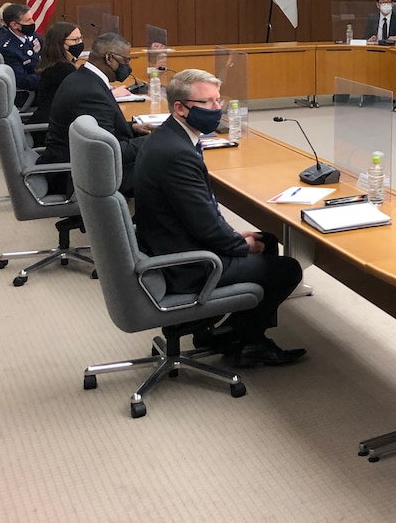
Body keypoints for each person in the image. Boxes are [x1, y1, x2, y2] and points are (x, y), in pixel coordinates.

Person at [133, 69, 306, 368]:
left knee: (267, 239)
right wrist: (240, 245)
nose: (217, 109)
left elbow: (197, 215)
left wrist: (234, 237)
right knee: (287, 268)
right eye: (208, 103)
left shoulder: (167, 137)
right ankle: (250, 342)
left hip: (167, 242)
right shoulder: (177, 153)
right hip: (184, 264)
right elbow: (205, 226)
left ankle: (231, 333)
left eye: (218, 100)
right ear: (180, 107)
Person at [39, 33, 152, 195]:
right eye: (126, 61)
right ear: (109, 58)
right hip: (77, 176)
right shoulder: (90, 93)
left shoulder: (84, 78)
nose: (128, 66)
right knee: (167, 168)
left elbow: (98, 130)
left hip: (79, 163)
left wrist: (133, 128)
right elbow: (106, 151)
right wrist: (153, 140)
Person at [31, 22, 83, 125]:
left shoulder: (52, 62)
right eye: (75, 40)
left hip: (54, 121)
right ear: (60, 43)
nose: (79, 43)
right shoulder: (61, 69)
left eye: (80, 38)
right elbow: (83, 96)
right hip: (52, 128)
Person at [0, 2, 43, 98]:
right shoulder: (7, 49)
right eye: (28, 20)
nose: (33, 22)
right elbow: (23, 81)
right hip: (29, 93)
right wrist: (48, 77)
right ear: (14, 25)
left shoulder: (31, 34)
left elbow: (47, 50)